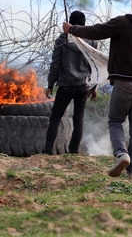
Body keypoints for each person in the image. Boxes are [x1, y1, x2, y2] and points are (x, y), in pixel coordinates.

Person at [63, 0, 132, 178]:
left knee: (116, 121)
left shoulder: (123, 22)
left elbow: (95, 32)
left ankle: (121, 154)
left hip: (124, 82)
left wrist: (72, 29)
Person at [44, 11, 98, 155]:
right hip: (84, 86)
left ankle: (48, 150)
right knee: (78, 119)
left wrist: (50, 85)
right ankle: (73, 151)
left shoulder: (62, 40)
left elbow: (55, 64)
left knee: (55, 118)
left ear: (69, 23)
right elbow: (95, 66)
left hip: (66, 86)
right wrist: (93, 87)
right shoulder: (92, 42)